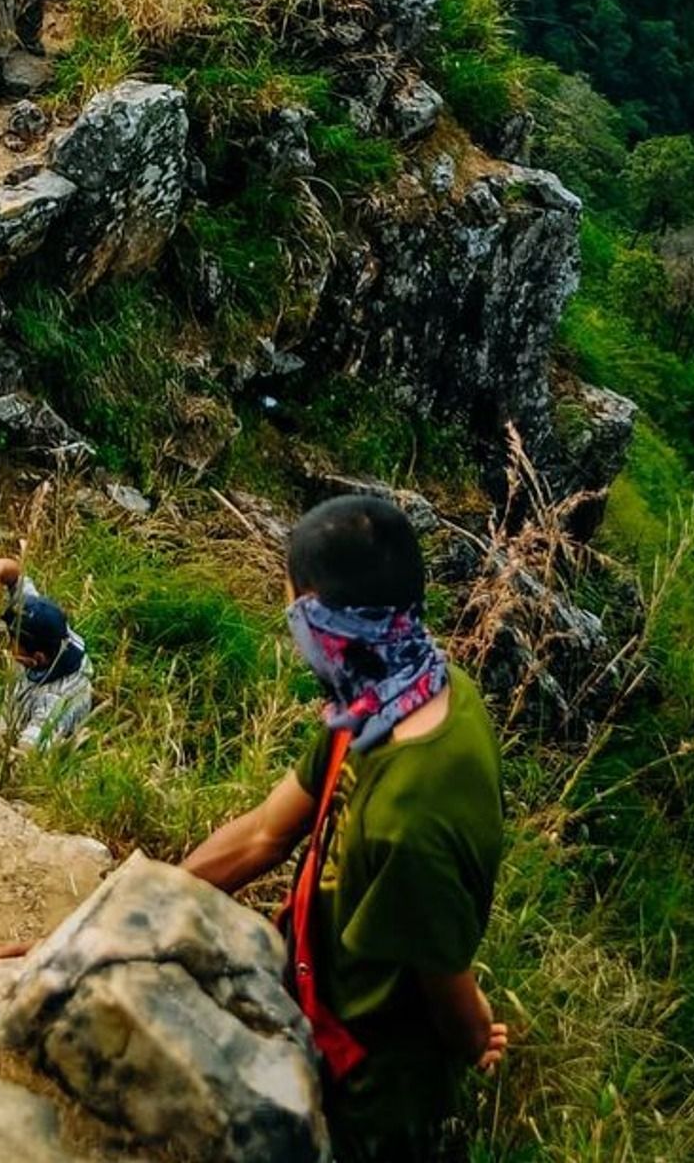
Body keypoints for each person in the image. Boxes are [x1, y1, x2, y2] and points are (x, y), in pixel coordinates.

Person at [179, 493, 507, 1163]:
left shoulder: (411, 818)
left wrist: (475, 1033)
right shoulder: (396, 690)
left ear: (322, 618)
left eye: (292, 608)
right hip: (312, 998)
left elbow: (443, 982)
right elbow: (266, 832)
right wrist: (132, 902)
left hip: (368, 1092)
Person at [0, 556, 95, 750]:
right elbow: (14, 575)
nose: (8, 645)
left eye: (14, 643)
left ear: (37, 658)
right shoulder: (49, 626)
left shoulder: (54, 701)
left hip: (35, 741)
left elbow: (28, 750)